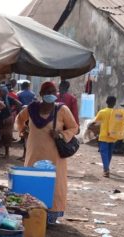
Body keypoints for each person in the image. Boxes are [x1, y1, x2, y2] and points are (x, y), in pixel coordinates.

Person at [16, 82, 79, 224]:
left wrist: (61, 134)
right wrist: (23, 130)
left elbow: (74, 127)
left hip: (54, 156)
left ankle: (51, 214)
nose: (51, 94)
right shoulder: (32, 108)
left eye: (53, 91)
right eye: (47, 92)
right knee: (33, 181)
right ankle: (31, 211)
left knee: (54, 183)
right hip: (34, 153)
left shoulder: (62, 110)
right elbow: (20, 119)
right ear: (41, 94)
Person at [92, 96, 124, 177]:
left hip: (103, 136)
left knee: (104, 153)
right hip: (113, 136)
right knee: (109, 153)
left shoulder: (102, 112)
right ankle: (106, 167)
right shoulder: (118, 113)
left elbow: (96, 122)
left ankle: (106, 169)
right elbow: (121, 124)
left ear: (106, 102)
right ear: (114, 103)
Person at [0, 85, 22, 158]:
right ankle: (5, 153)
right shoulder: (8, 98)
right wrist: (13, 111)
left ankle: (3, 153)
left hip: (3, 119)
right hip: (7, 118)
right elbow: (19, 104)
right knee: (6, 135)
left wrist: (15, 111)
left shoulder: (0, 99)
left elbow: (19, 104)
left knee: (2, 135)